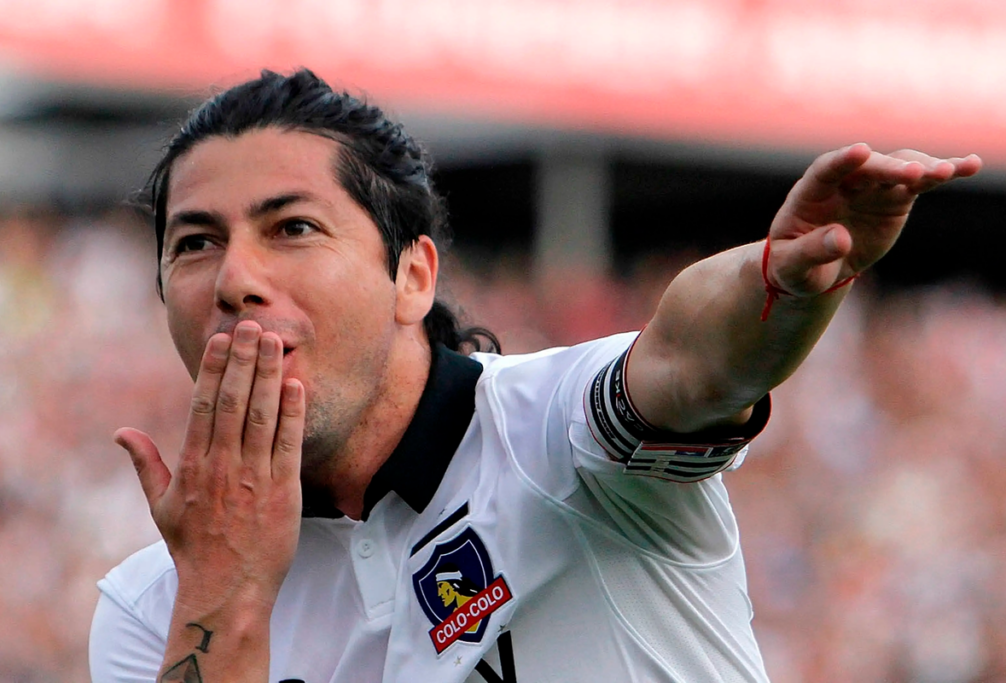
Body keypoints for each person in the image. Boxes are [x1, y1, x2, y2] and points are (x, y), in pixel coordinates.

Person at [87, 68, 981, 683]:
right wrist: (227, 589)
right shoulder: (150, 607)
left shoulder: (553, 429)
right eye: (196, 242)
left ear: (414, 274)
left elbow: (687, 360)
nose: (237, 278)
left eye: (292, 228)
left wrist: (776, 287)